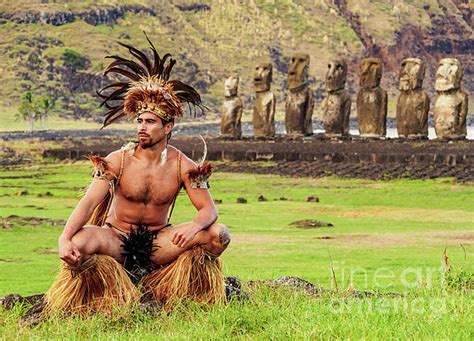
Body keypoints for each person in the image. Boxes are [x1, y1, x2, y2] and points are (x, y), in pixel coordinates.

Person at [45, 35, 231, 315]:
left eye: (150, 122)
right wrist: (63, 238)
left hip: (158, 243)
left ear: (168, 127)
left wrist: (194, 227)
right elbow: (88, 203)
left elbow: (209, 210)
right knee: (79, 244)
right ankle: (104, 294)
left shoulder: (184, 165)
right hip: (117, 239)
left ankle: (176, 289)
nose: (142, 127)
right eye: (140, 121)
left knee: (219, 235)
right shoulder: (116, 160)